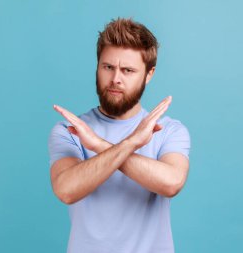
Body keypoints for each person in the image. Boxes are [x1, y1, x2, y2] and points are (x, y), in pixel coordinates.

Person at [48, 17, 191, 253]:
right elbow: (66, 190)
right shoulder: (71, 130)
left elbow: (171, 183)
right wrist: (133, 142)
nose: (116, 79)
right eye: (108, 67)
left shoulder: (169, 130)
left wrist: (98, 145)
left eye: (128, 70)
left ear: (149, 74)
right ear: (97, 66)